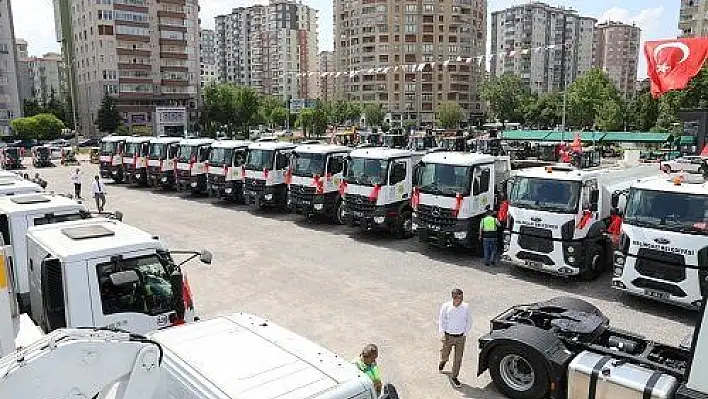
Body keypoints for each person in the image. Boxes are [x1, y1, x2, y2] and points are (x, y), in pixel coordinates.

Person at [438, 288, 472, 388]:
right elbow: (442, 320)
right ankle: (443, 361)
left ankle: (454, 377)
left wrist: (464, 333)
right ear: (453, 298)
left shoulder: (466, 307)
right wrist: (442, 334)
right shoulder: (446, 306)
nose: (460, 300)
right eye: (458, 298)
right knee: (445, 353)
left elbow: (469, 321)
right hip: (448, 336)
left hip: (460, 338)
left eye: (462, 297)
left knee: (458, 359)